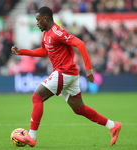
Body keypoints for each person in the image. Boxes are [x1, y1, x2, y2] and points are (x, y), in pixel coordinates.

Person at [11, 6, 122, 147]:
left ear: (46, 18)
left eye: (38, 20)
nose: (37, 23)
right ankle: (113, 125)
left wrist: (88, 69)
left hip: (65, 72)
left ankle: (31, 137)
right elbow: (43, 52)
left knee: (37, 97)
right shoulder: (46, 34)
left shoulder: (57, 32)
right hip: (69, 73)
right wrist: (21, 52)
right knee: (79, 108)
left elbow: (80, 43)